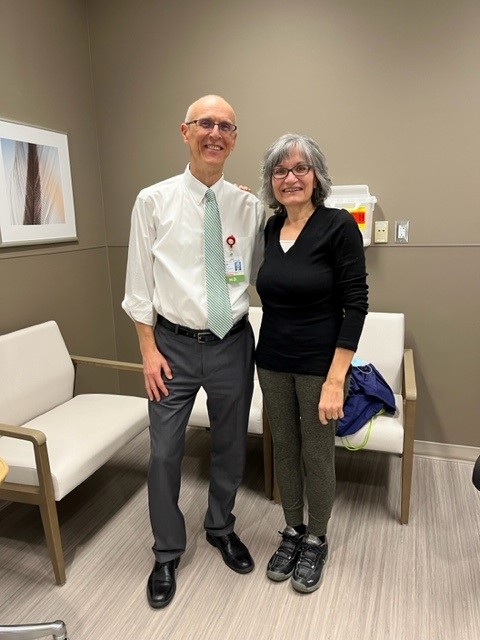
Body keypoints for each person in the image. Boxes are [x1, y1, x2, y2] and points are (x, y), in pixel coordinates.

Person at [122, 95, 264, 609]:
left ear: (233, 138)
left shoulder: (250, 207)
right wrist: (147, 350)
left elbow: (263, 272)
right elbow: (138, 286)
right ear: (185, 131)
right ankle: (166, 551)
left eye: (226, 125)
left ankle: (221, 526)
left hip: (232, 344)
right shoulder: (152, 201)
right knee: (163, 453)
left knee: (230, 445)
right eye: (206, 123)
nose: (215, 133)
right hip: (172, 348)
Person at [255, 133, 368, 593]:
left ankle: (317, 537)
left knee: (317, 453)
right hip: (272, 362)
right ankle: (293, 529)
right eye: (280, 171)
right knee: (284, 447)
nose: (290, 178)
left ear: (317, 176)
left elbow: (356, 303)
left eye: (300, 168)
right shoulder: (269, 228)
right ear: (271, 182)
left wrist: (336, 377)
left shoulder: (338, 226)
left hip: (320, 366)